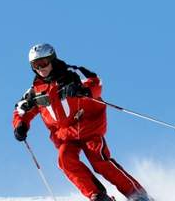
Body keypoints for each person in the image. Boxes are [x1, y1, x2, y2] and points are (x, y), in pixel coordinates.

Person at [12, 43, 152, 201]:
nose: (40, 68)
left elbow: (95, 82)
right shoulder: (35, 91)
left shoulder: (72, 74)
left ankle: (137, 194)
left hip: (89, 127)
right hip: (65, 136)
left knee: (99, 162)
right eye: (35, 65)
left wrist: (83, 90)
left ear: (52, 59)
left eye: (43, 63)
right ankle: (97, 196)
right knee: (65, 159)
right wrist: (20, 125)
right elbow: (20, 110)